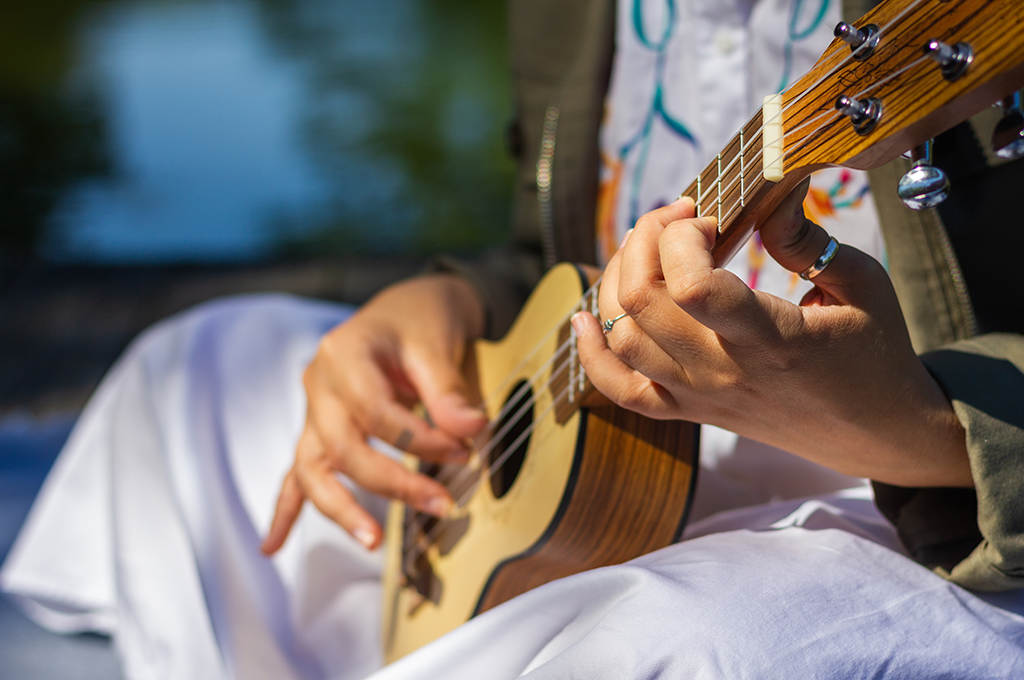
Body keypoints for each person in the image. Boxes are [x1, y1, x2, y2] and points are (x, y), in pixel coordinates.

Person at [4, 0, 1024, 678]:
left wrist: (919, 427)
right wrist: (451, 301)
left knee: (673, 648)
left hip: (930, 520)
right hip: (598, 428)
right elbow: (572, 246)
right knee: (193, 373)